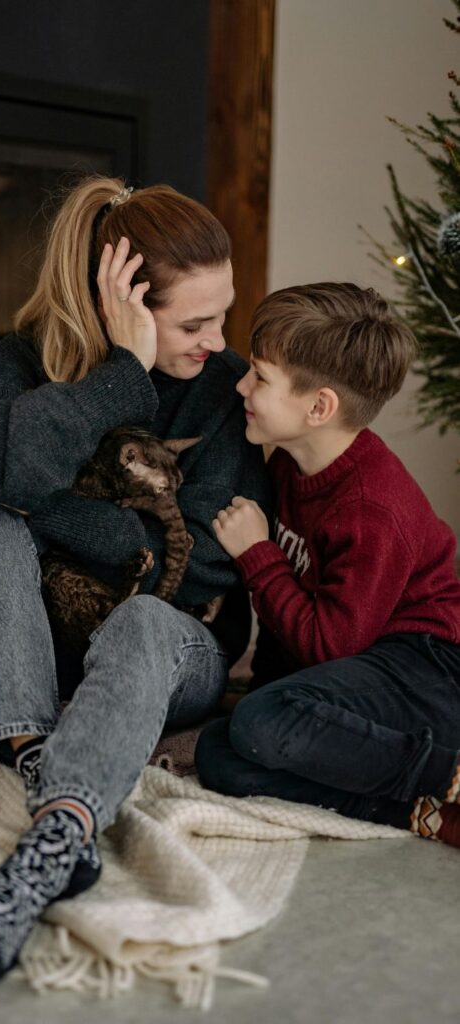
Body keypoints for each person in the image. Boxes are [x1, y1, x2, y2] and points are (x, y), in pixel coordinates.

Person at [0, 175, 270, 981]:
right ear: (118, 307)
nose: (215, 341)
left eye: (221, 314)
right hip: (54, 657)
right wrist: (121, 373)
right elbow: (5, 473)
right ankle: (35, 761)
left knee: (136, 618)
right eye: (192, 322)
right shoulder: (19, 364)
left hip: (173, 655)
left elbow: (179, 570)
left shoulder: (222, 393)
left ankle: (54, 835)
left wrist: (40, 511)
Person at [194, 281, 460, 850]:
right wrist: (270, 684)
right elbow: (296, 625)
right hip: (371, 661)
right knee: (219, 753)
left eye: (260, 377)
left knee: (264, 722)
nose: (241, 384)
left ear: (319, 407)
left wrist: (256, 554)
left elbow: (330, 645)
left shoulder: (371, 507)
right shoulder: (293, 463)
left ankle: (448, 772)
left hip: (430, 666)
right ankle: (421, 811)